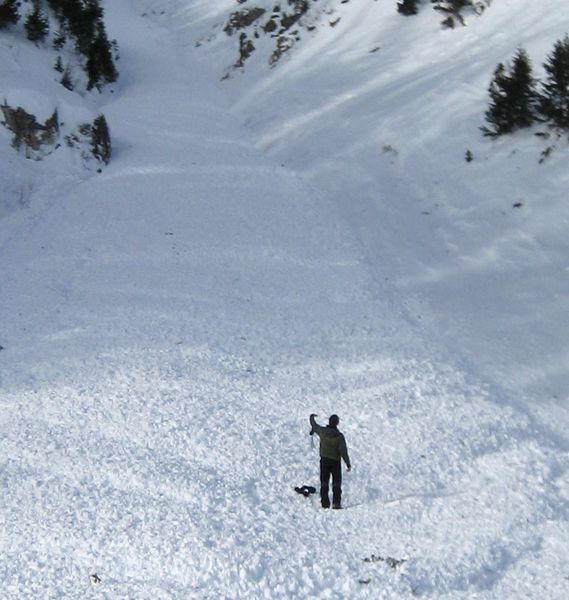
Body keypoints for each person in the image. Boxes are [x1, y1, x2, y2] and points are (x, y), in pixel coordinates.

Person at [309, 413, 351, 509]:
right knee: (336, 483)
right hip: (335, 462)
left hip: (324, 460)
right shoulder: (340, 437)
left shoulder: (322, 432)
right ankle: (336, 503)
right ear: (337, 423)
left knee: (324, 482)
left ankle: (325, 503)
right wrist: (348, 463)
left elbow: (314, 425)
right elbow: (343, 451)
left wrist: (311, 417)